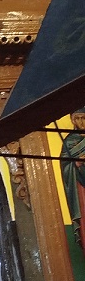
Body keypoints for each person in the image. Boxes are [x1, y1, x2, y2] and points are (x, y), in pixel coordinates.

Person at [61, 108, 85, 254]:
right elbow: (65, 166)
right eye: (77, 118)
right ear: (72, 120)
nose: (81, 122)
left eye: (84, 118)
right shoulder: (69, 142)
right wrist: (76, 163)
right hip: (81, 188)